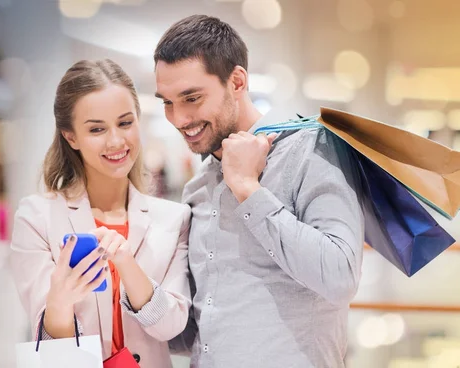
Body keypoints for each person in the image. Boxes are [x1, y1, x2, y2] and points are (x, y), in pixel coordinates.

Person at [154, 15, 365, 367]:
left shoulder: (311, 150)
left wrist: (249, 191)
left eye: (191, 98)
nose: (178, 118)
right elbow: (196, 333)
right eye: (167, 102)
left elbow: (340, 277)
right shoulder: (197, 189)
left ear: (237, 81)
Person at [10, 59, 192, 367]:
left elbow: (171, 327)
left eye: (125, 123)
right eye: (96, 129)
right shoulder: (37, 217)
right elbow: (52, 353)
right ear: (71, 137)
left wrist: (126, 264)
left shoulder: (173, 219)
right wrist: (60, 299)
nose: (116, 141)